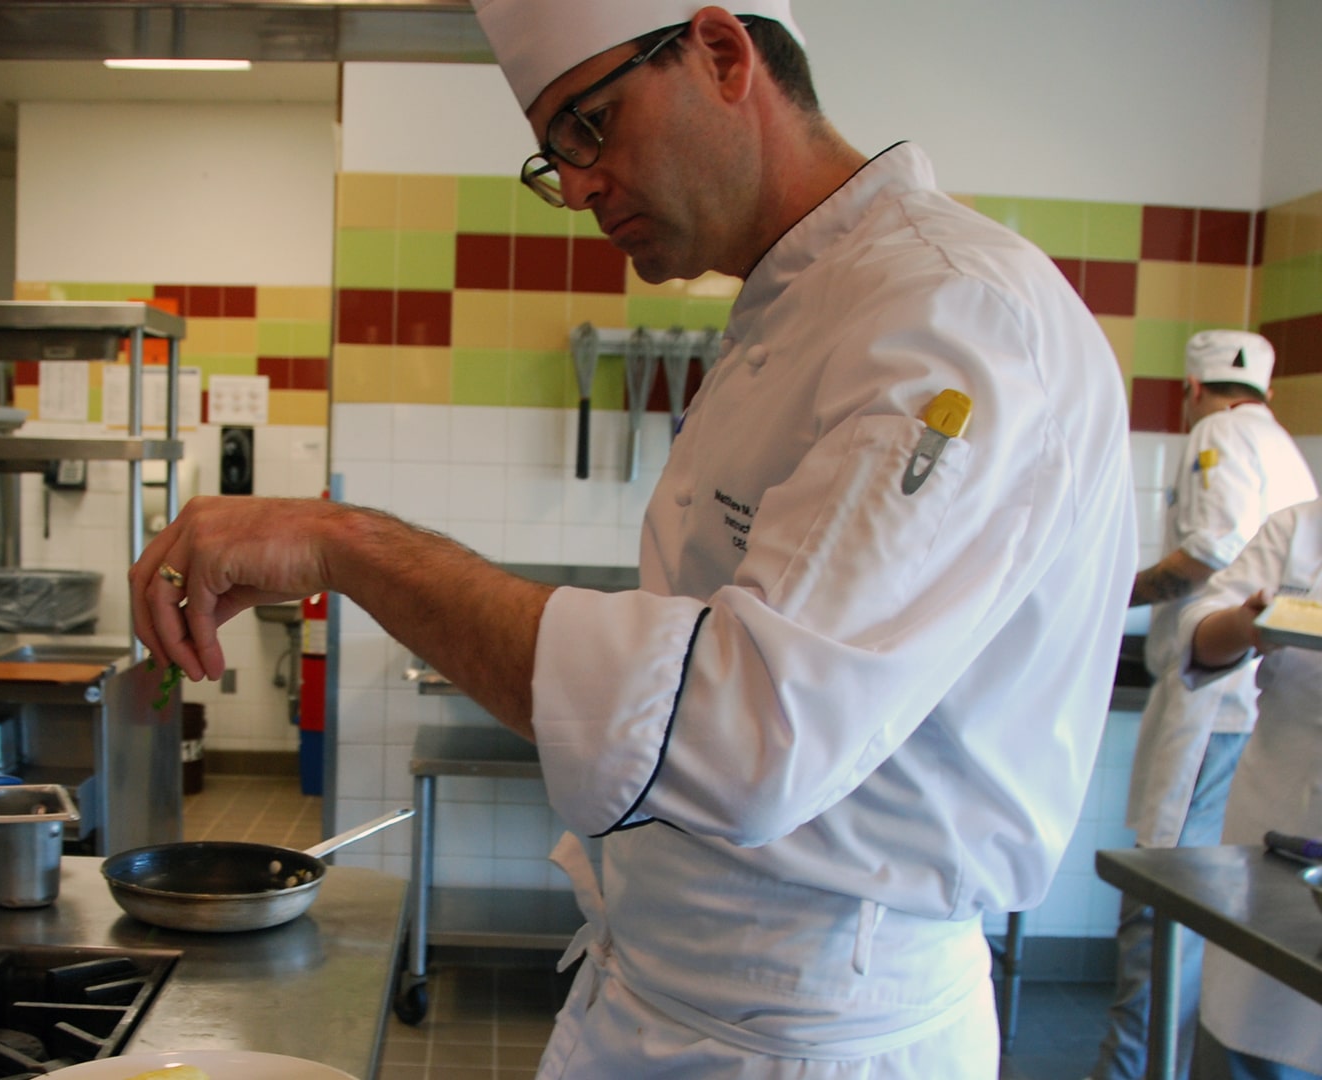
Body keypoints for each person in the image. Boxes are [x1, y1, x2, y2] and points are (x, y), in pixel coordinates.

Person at [130, 2, 1136, 1075]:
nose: (574, 185)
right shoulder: (799, 307)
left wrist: (347, 545)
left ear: (720, 53)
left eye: (591, 126)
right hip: (666, 995)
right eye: (552, 153)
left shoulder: (949, 316)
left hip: (809, 1034)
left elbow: (744, 733)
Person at [1094, 330, 1318, 1080]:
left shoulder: (1218, 432)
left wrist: (1099, 596)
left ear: (1194, 390)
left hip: (1213, 716)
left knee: (1166, 907)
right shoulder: (1286, 453)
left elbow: (1209, 552)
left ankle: (1131, 1071)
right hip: (1252, 717)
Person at [1173, 498, 1322, 1080]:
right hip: (1285, 840)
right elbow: (1204, 635)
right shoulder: (1301, 528)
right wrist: (1248, 624)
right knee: (1255, 1041)